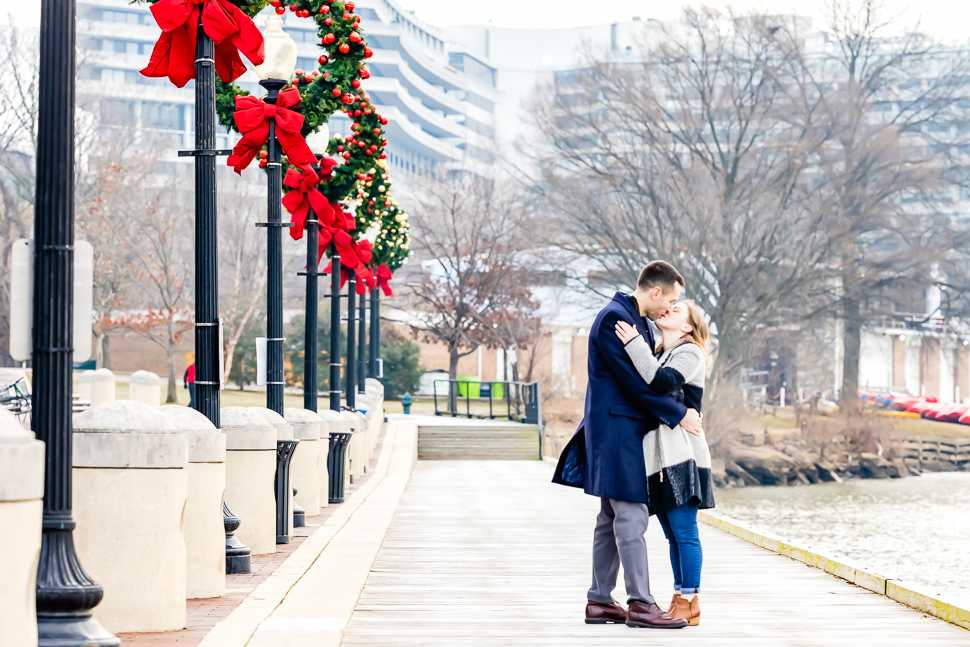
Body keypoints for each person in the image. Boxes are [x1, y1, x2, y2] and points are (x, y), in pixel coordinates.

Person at [553, 261, 703, 630]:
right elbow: (637, 384)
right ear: (655, 292)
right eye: (669, 300)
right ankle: (641, 603)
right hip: (618, 428)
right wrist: (679, 413)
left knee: (609, 518)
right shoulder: (614, 318)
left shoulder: (632, 320)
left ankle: (600, 600)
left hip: (619, 428)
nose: (668, 308)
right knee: (632, 515)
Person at [615, 299, 714, 626]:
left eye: (676, 310)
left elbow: (660, 383)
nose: (667, 309)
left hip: (683, 453)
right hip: (662, 454)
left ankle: (690, 599)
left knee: (685, 531)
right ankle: (679, 596)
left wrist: (633, 344)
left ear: (687, 326)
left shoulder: (690, 353)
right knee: (672, 533)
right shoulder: (661, 354)